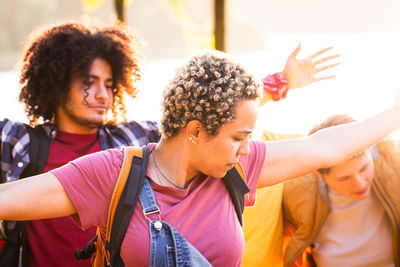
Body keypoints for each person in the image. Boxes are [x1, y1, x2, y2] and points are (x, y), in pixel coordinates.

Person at [0, 50, 399, 267]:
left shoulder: (236, 168)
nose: (247, 148)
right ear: (194, 131)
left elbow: (325, 147)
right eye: (238, 137)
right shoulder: (112, 173)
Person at [282, 114, 400, 267]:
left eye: (363, 168)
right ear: (320, 175)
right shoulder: (297, 193)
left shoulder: (393, 165)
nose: (359, 183)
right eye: (344, 178)